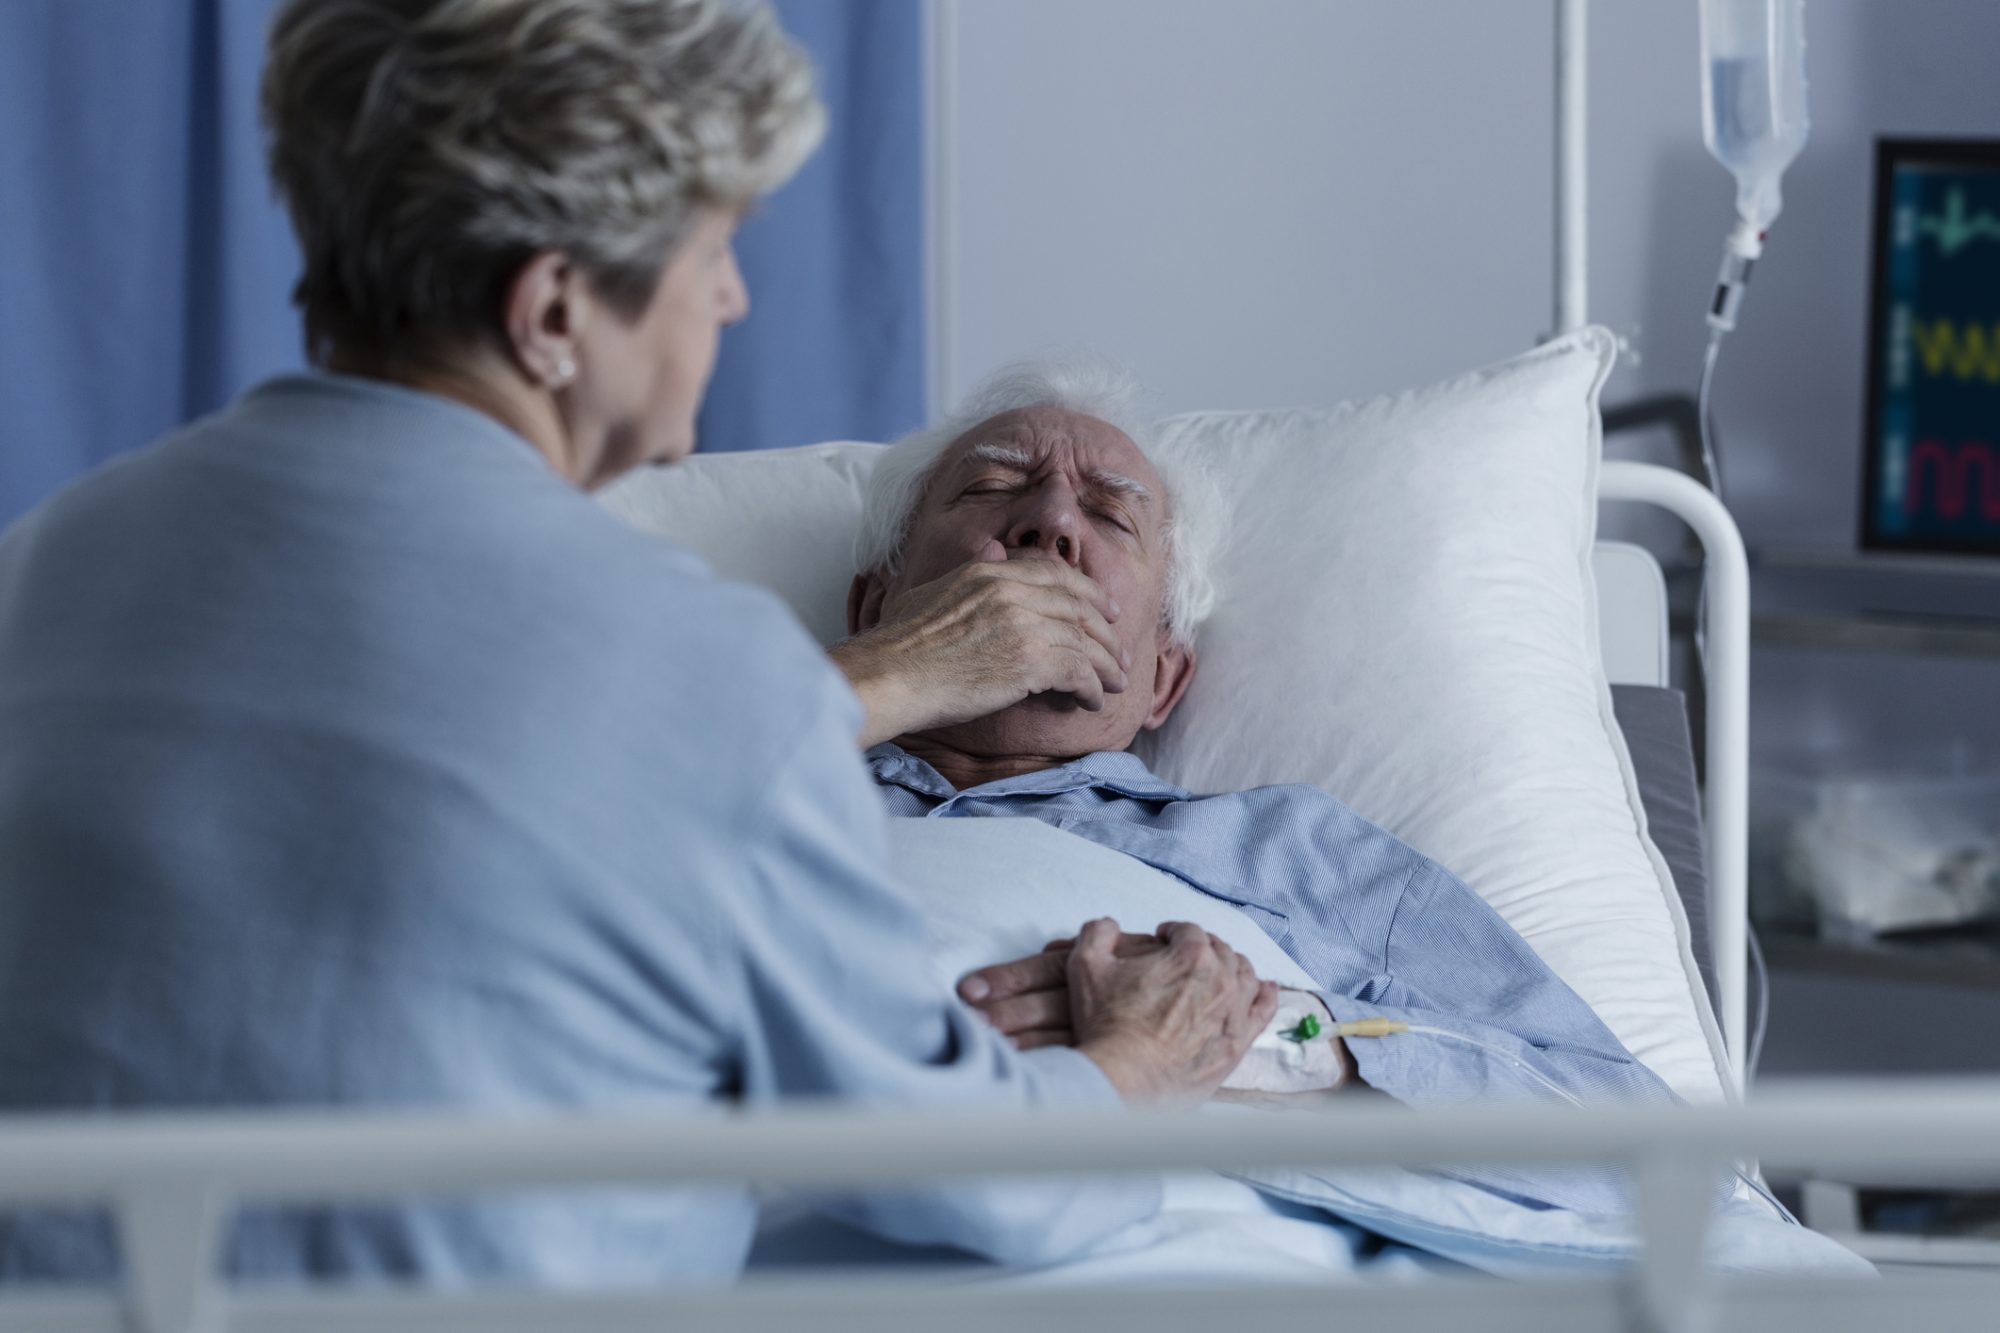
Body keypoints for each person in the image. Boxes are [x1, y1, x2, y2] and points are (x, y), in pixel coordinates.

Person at [0, 0, 1276, 1285]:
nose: (730, 299)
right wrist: (1132, 1071)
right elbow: (962, 1172)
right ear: (554, 311)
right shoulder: (701, 673)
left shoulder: (54, 559)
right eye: (712, 250)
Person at [827, 359, 1689, 1217]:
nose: (1051, 522)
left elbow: (1653, 1152)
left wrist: (1253, 1042)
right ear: (873, 611)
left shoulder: (1291, 851)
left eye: (1109, 513)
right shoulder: (742, 772)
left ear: (1161, 678)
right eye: (990, 485)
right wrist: (893, 672)